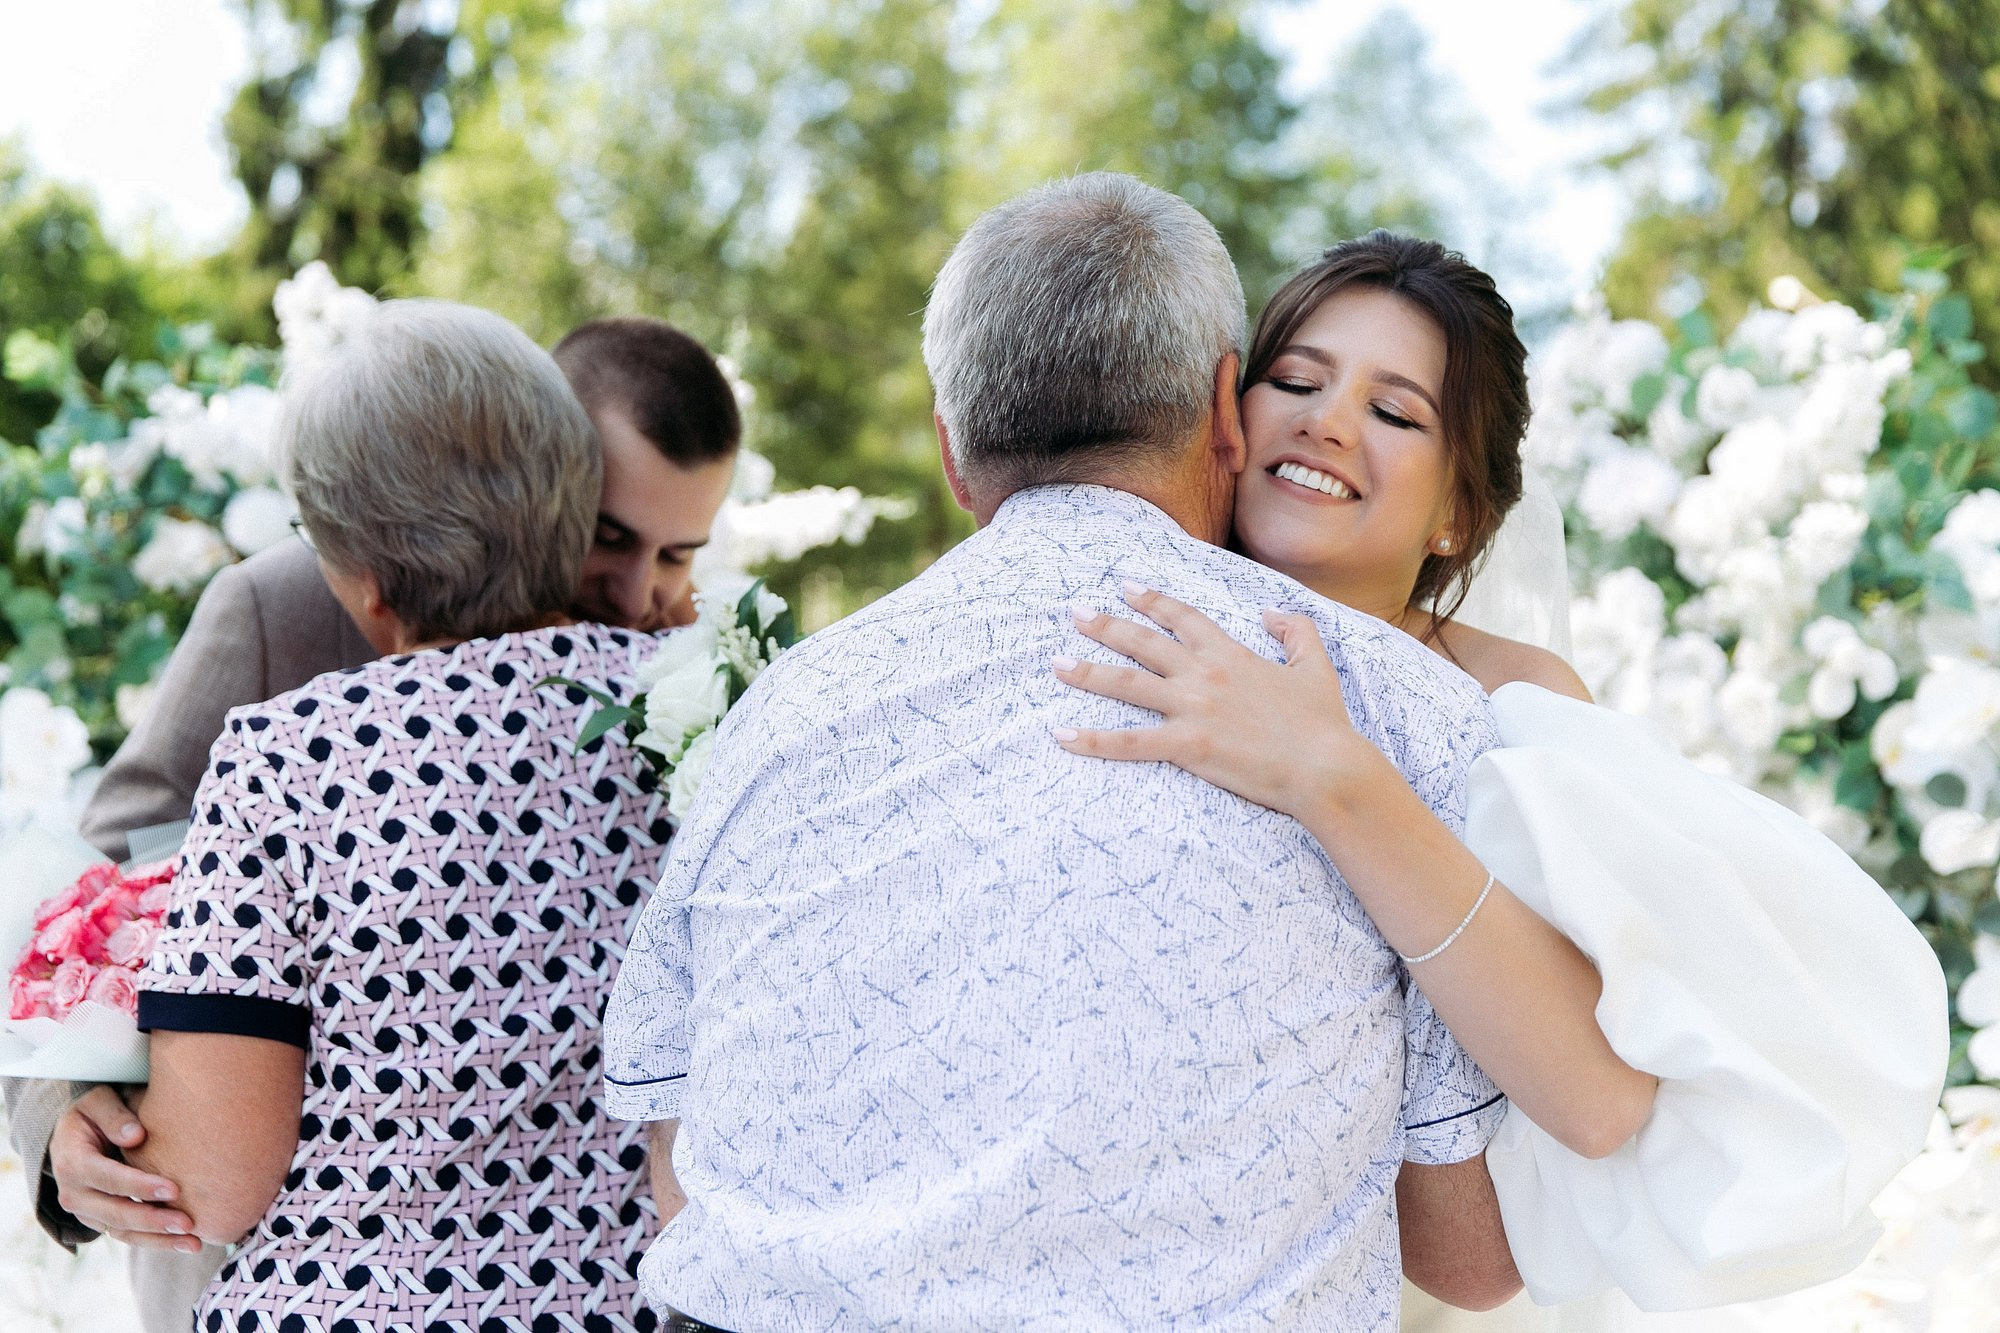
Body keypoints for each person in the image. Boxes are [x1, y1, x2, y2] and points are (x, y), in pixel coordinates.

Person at [602, 172, 1528, 1330]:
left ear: (951, 452)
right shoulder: (1395, 711)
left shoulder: (773, 720)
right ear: (1225, 417)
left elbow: (678, 1161)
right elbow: (1468, 1249)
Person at [1049, 233, 1947, 1316]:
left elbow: (1581, 1118)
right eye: (1293, 379)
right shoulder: (1112, 625)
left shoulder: (1512, 716)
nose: (1326, 420)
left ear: (1457, 517)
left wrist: (1332, 774)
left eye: (1395, 412)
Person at [5, 313, 740, 1331]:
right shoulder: (281, 609)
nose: (636, 593)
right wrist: (65, 1112)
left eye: (677, 555)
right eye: (608, 537)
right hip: (300, 1244)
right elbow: (100, 879)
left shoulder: (708, 686)